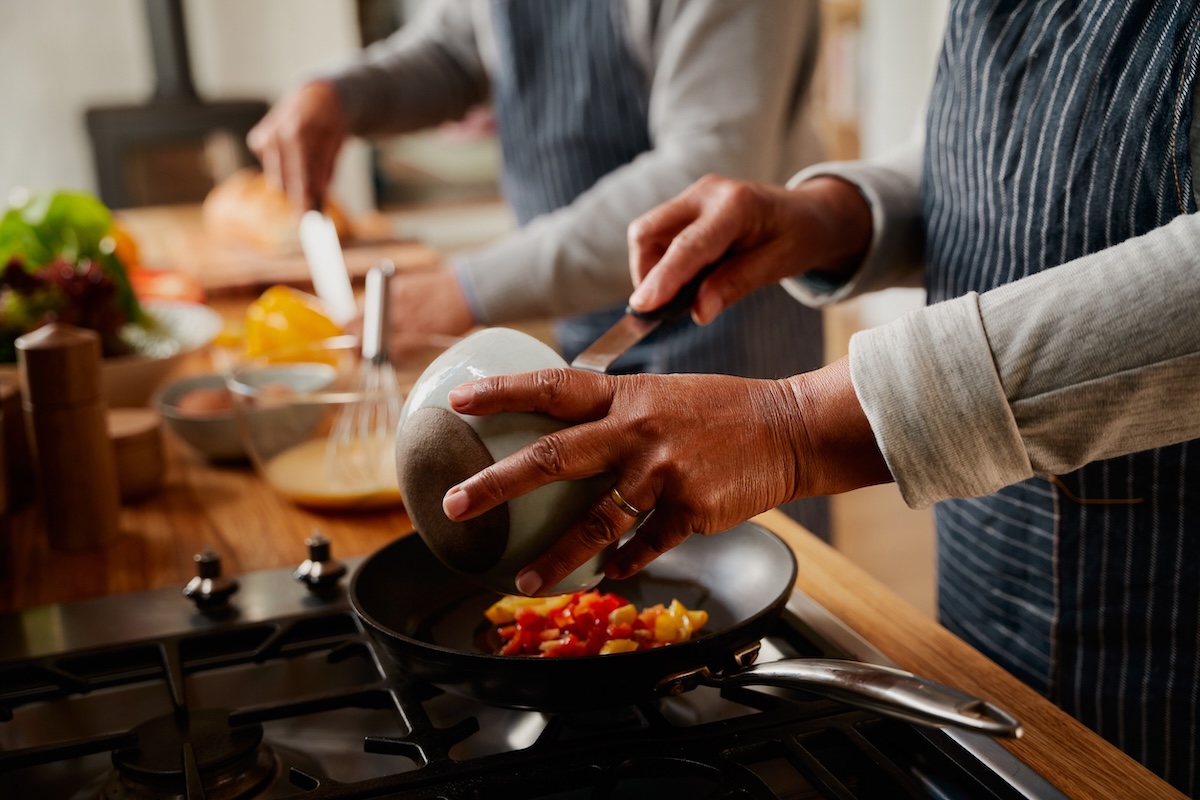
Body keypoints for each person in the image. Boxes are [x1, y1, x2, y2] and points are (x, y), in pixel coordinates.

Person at [433, 4, 1200, 795]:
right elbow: (1011, 151)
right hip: (989, 535)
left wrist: (797, 425)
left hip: (1168, 613)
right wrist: (838, 214)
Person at [247, 0, 831, 539]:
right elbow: (457, 50)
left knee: (751, 565)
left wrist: (467, 288)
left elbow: (704, 168)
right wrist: (339, 93)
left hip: (723, 324)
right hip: (584, 314)